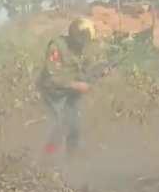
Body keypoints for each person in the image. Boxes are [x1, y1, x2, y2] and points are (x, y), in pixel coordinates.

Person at [38, 17, 108, 157]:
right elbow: (52, 78)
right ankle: (46, 158)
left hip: (70, 93)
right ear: (75, 36)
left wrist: (100, 72)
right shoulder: (57, 47)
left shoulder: (84, 48)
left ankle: (72, 160)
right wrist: (76, 85)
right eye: (83, 39)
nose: (85, 43)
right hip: (53, 93)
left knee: (75, 128)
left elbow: (86, 69)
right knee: (60, 127)